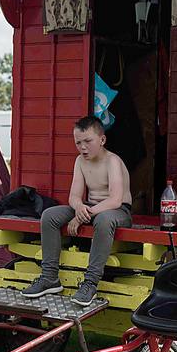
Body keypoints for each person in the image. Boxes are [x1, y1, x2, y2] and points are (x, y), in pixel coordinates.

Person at [21, 115, 132, 306]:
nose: (83, 147)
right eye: (78, 142)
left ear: (102, 140)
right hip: (89, 207)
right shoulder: (80, 161)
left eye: (88, 141)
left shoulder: (112, 161)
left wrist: (81, 217)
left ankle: (90, 283)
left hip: (117, 211)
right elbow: (73, 197)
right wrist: (79, 207)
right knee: (49, 215)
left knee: (103, 220)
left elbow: (114, 200)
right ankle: (49, 278)